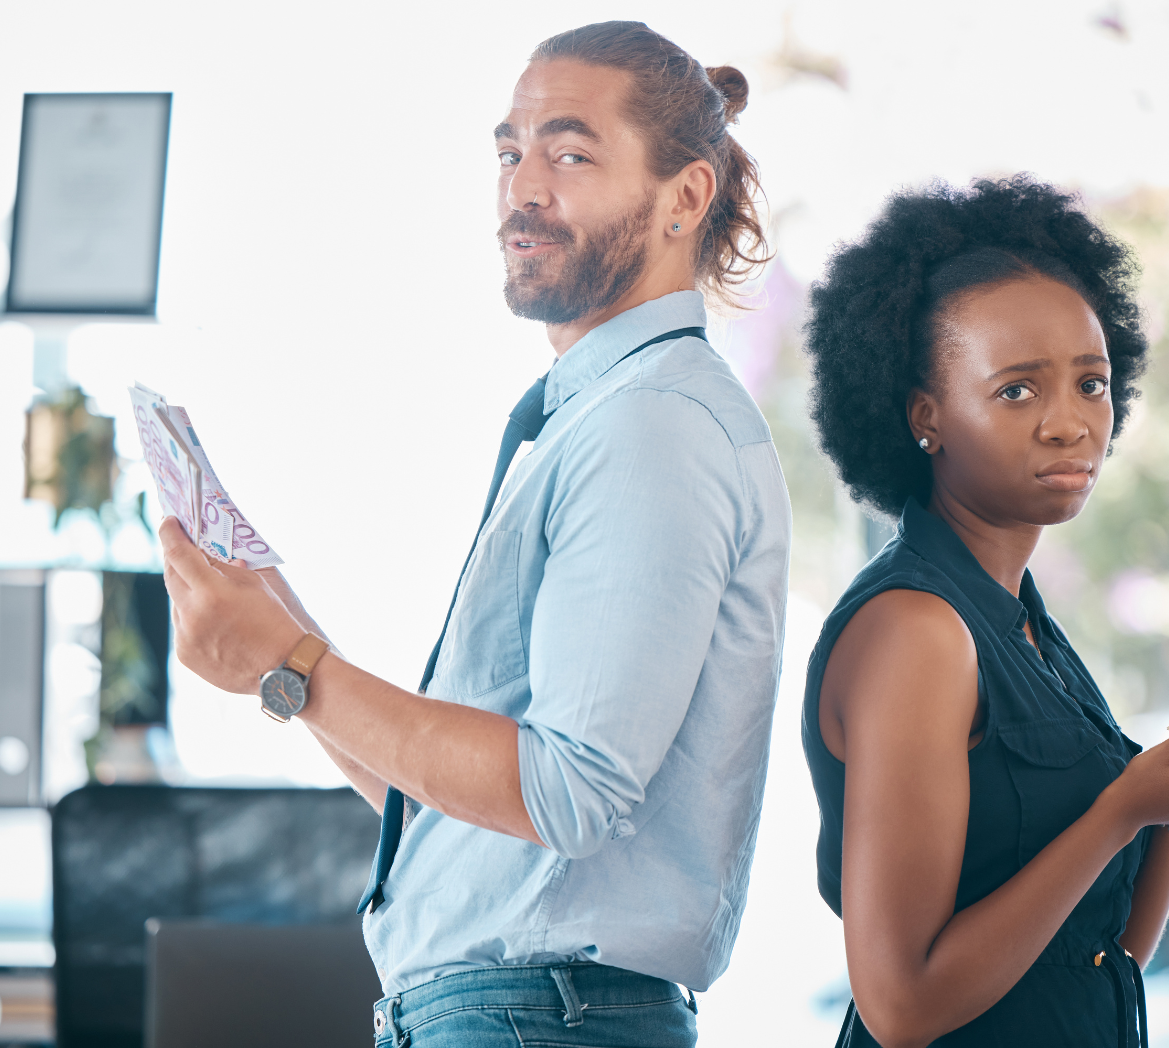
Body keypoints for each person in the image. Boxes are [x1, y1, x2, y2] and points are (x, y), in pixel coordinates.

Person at [159, 21, 790, 1048]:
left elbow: (566, 793)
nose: (521, 189)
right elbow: (461, 818)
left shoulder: (649, 427)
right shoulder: (597, 415)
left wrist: (294, 665)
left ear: (684, 197)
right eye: (509, 153)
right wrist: (280, 634)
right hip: (518, 1014)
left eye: (569, 155)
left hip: (539, 1019)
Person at [798, 176, 1169, 1048]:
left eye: (1091, 383)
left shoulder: (1025, 627)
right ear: (925, 417)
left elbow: (1101, 953)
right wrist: (1122, 808)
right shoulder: (917, 632)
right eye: (1017, 390)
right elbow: (900, 1008)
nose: (1069, 424)